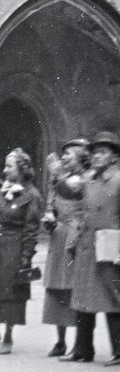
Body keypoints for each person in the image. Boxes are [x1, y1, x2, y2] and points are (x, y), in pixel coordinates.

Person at [69, 131, 120, 365]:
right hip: (88, 249)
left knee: (114, 299)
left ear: (114, 156)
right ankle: (82, 350)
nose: (96, 156)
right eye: (94, 152)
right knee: (83, 300)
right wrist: (75, 242)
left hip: (110, 249)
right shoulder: (89, 181)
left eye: (102, 152)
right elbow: (81, 213)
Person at [41, 142, 86, 357]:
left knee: (73, 287)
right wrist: (49, 216)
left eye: (68, 154)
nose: (64, 158)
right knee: (56, 288)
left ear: (80, 157)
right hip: (58, 235)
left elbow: (70, 191)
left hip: (74, 236)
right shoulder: (59, 178)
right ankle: (60, 340)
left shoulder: (84, 178)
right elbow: (53, 202)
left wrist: (56, 173)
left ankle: (80, 342)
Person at [0, 150, 41, 354]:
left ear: (22, 169)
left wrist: (26, 257)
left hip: (14, 247)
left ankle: (8, 334)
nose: (5, 170)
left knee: (11, 292)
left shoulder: (31, 195)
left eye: (10, 166)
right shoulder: (2, 189)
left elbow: (31, 228)